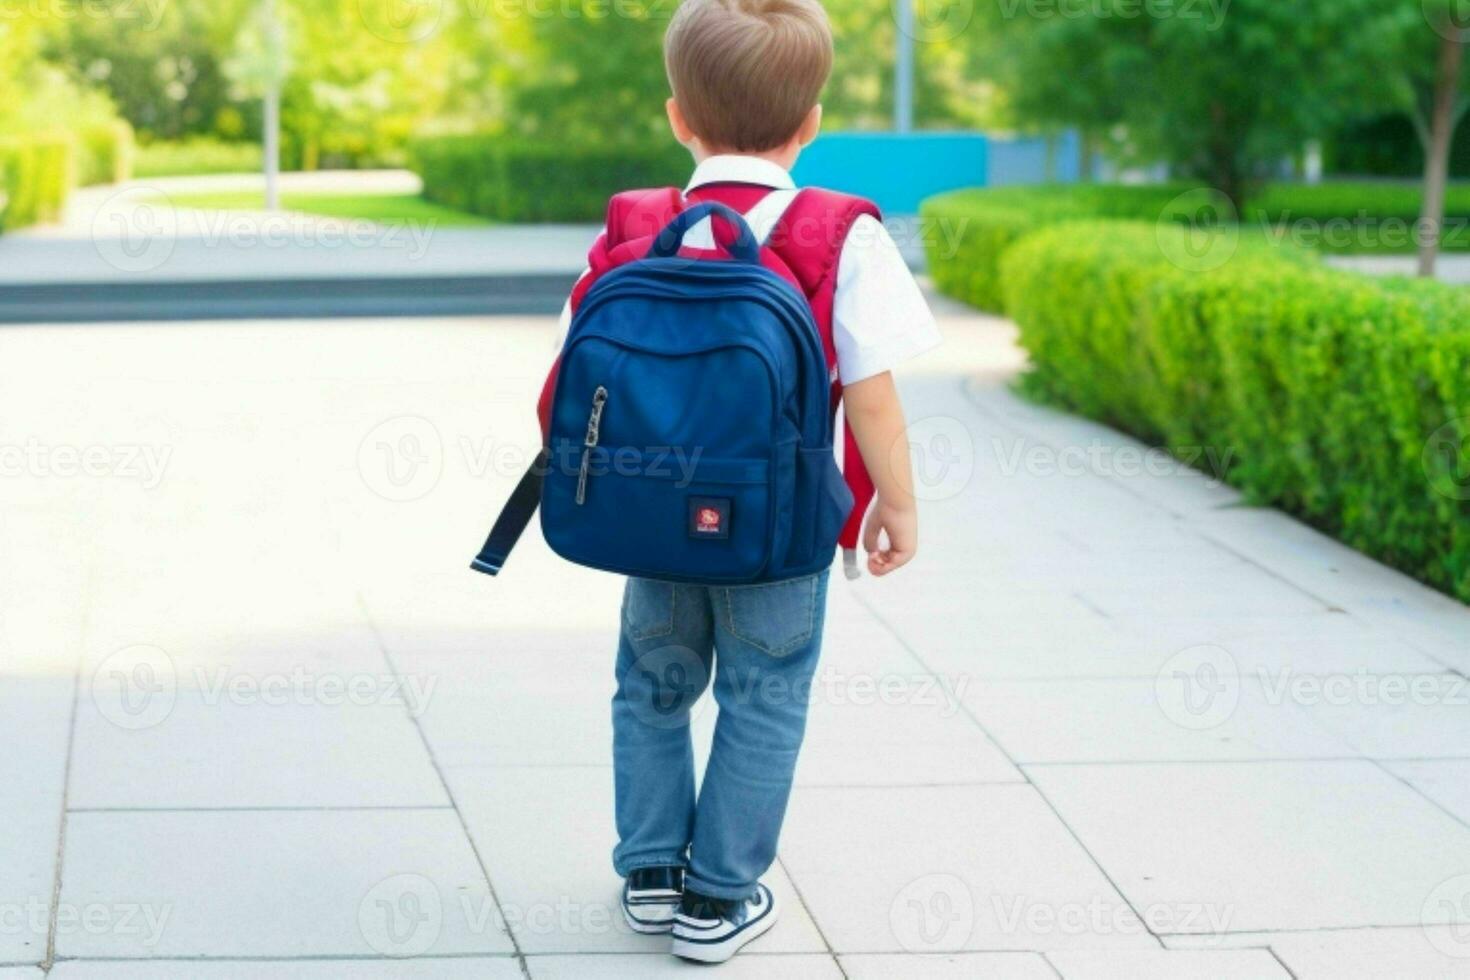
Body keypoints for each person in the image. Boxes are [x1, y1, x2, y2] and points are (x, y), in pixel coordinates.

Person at [561, 0, 942, 962]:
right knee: (764, 695)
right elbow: (874, 396)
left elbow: (575, 363)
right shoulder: (839, 233)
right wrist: (893, 505)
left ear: (678, 117)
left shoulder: (634, 223)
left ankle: (650, 872)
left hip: (647, 518)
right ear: (810, 123)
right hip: (777, 534)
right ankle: (719, 897)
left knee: (651, 684)